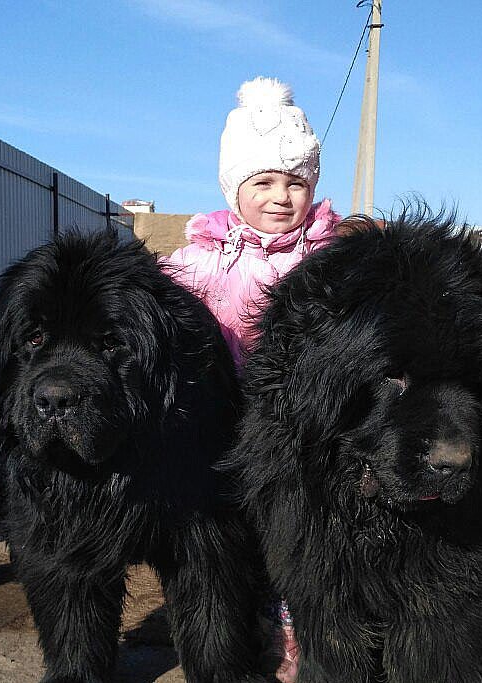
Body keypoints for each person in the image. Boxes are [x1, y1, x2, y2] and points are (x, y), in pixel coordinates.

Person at [164, 75, 340, 683]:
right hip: (222, 422)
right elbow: (162, 317)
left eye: (295, 182)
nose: (279, 196)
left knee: (296, 536)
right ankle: (229, 636)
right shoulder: (201, 260)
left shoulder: (329, 259)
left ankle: (293, 641)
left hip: (301, 428)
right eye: (262, 181)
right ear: (234, 188)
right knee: (227, 537)